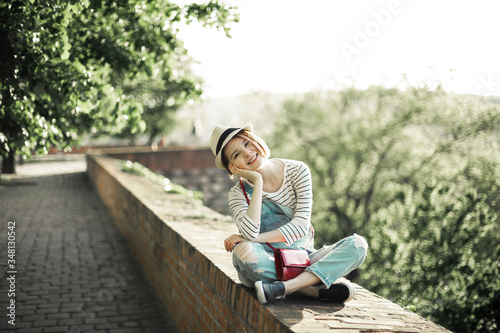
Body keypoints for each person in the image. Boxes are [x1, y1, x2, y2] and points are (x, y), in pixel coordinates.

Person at [210, 124, 368, 304]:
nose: (247, 153)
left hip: (302, 258)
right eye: (236, 154)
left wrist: (252, 239)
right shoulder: (238, 194)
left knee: (358, 245)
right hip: (266, 261)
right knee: (243, 251)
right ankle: (311, 289)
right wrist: (257, 181)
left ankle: (285, 288)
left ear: (256, 141)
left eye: (247, 143)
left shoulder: (298, 170)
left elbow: (300, 227)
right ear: (232, 167)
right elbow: (249, 234)